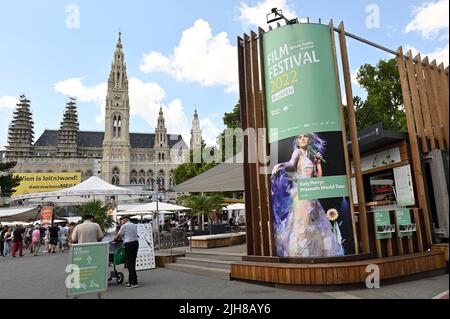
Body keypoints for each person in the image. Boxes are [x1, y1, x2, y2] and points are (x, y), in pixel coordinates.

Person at [271, 133, 344, 257]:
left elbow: (319, 177)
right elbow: (291, 164)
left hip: (311, 193)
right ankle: (299, 254)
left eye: (305, 136)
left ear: (309, 140)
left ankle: (314, 253)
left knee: (314, 225)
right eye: (299, 137)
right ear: (297, 142)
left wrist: (318, 162)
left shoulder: (310, 156)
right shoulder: (298, 152)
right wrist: (280, 165)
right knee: (301, 223)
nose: (303, 139)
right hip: (300, 193)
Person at [115, 216, 139, 288]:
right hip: (135, 243)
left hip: (129, 244)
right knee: (132, 262)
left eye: (121, 220)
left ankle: (134, 282)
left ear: (125, 220)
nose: (121, 222)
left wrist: (115, 238)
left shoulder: (124, 226)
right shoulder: (133, 225)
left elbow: (118, 236)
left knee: (129, 263)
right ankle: (131, 280)